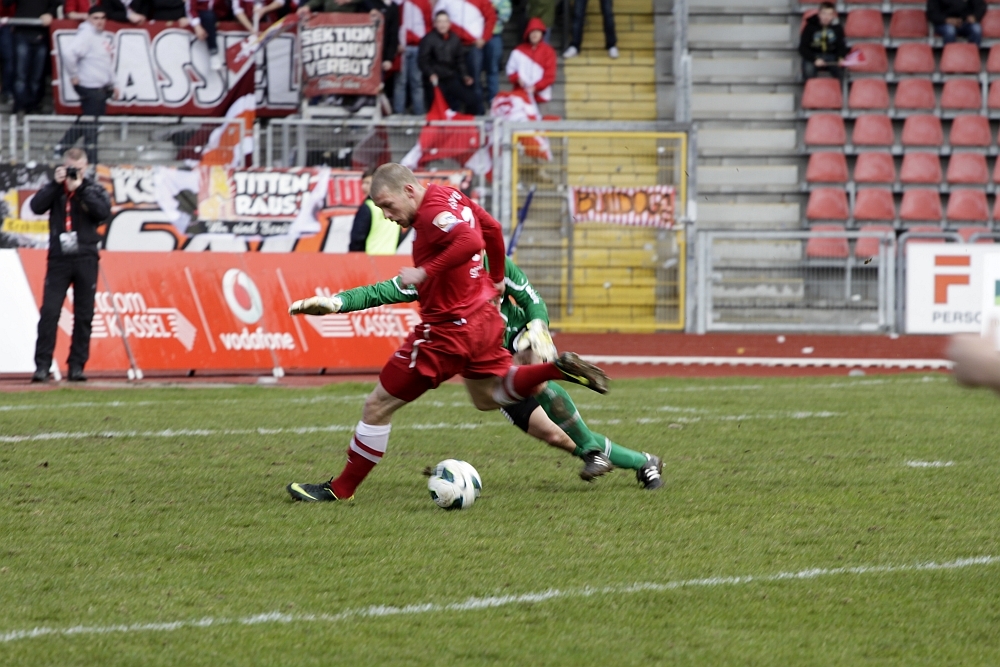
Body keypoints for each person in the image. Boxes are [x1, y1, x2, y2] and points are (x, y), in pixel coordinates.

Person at [284, 163, 609, 502]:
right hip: (484, 322)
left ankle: (340, 490)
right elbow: (492, 228)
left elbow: (470, 240)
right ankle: (555, 369)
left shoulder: (432, 215)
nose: (386, 215)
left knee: (377, 405)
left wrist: (425, 272)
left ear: (409, 190)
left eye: (388, 205)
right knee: (486, 398)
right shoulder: (450, 195)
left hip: (446, 333)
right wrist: (497, 276)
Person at [301, 254, 665, 489]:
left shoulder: (495, 261)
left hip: (513, 347)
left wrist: (538, 327)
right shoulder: (436, 272)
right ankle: (643, 460)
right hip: (486, 369)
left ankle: (578, 421)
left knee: (532, 372)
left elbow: (533, 300)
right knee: (556, 437)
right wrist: (337, 302)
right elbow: (383, 291)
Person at [30, 148, 113, 383]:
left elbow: (102, 213)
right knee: (50, 312)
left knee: (84, 314)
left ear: (86, 168)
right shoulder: (55, 188)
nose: (73, 172)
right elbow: (36, 207)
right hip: (59, 259)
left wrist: (80, 189)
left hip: (86, 257)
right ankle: (42, 366)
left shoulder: (93, 188)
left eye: (77, 168)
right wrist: (55, 185)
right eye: (69, 168)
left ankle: (77, 366)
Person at [56, 6, 118, 165]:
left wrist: (114, 83)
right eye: (96, 18)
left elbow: (106, 63)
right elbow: (69, 53)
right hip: (89, 86)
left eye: (102, 18)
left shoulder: (100, 36)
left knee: (87, 121)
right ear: (89, 19)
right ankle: (92, 161)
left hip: (101, 87)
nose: (100, 21)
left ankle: (61, 147)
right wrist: (73, 75)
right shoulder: (86, 35)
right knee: (91, 125)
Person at [433, 0, 494, 112]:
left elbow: (491, 17)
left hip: (473, 45)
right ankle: (454, 112)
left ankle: (476, 112)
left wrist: (484, 38)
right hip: (453, 45)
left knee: (474, 80)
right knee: (453, 80)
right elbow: (436, 15)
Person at [418, 10, 483, 115]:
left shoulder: (455, 39)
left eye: (445, 22)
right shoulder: (428, 39)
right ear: (435, 24)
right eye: (439, 22)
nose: (442, 25)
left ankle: (468, 122)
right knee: (439, 108)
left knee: (472, 99)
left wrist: (465, 75)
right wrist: (430, 73)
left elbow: (460, 60)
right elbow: (422, 60)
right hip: (435, 80)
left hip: (451, 78)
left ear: (449, 24)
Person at [5, 0, 57, 114]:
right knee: (21, 75)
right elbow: (6, 2)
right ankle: (20, 106)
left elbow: (56, 4)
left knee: (36, 77)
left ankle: (33, 106)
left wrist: (50, 13)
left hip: (40, 34)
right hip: (21, 33)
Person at [348, 166, 408, 254]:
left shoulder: (368, 207)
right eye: (363, 183)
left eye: (368, 183)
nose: (364, 187)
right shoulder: (395, 207)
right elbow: (398, 236)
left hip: (369, 259)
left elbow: (357, 239)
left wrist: (355, 258)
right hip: (390, 258)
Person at [506, 17, 556, 106]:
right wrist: (517, 79)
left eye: (537, 31)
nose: (535, 34)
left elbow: (550, 76)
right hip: (521, 96)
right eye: (532, 31)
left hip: (541, 97)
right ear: (527, 33)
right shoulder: (518, 51)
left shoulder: (549, 51)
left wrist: (536, 87)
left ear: (542, 33)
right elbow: (510, 70)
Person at [394, 0, 432, 114]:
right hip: (402, 47)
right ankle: (398, 113)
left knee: (417, 82)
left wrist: (425, 45)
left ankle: (419, 112)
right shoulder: (399, 3)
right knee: (400, 82)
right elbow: (393, 24)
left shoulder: (424, 2)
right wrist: (397, 43)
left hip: (418, 47)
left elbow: (428, 24)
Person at [798, 2, 847, 80]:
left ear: (833, 16)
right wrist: (815, 59)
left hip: (831, 55)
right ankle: (810, 87)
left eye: (830, 14)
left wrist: (840, 58)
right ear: (819, 14)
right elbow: (803, 47)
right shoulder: (810, 27)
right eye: (824, 14)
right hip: (814, 55)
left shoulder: (837, 28)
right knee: (808, 70)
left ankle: (839, 87)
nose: (826, 17)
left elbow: (841, 46)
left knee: (841, 70)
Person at [482, 0, 510, 106]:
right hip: (476, 37)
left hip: (494, 35)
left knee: (493, 69)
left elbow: (505, 17)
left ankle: (493, 100)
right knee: (474, 69)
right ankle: (476, 100)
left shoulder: (503, 1)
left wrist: (494, 9)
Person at [186, 0, 225, 70]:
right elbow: (191, 8)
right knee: (208, 16)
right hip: (203, 15)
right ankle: (213, 51)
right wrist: (197, 26)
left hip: (220, 13)